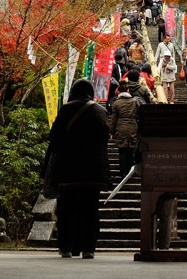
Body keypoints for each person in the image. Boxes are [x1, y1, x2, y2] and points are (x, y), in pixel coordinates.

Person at [42, 78, 111, 259]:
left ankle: (66, 247)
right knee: (90, 209)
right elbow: (105, 139)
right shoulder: (101, 111)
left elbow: (54, 136)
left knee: (67, 209)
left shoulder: (67, 109)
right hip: (93, 171)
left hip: (69, 169)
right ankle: (88, 247)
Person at [109, 82, 140, 180]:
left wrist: (112, 132)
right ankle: (131, 172)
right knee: (131, 150)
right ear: (127, 90)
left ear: (118, 91)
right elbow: (139, 116)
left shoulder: (116, 103)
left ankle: (123, 172)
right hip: (133, 126)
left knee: (122, 151)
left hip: (121, 127)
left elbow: (113, 119)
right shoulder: (135, 102)